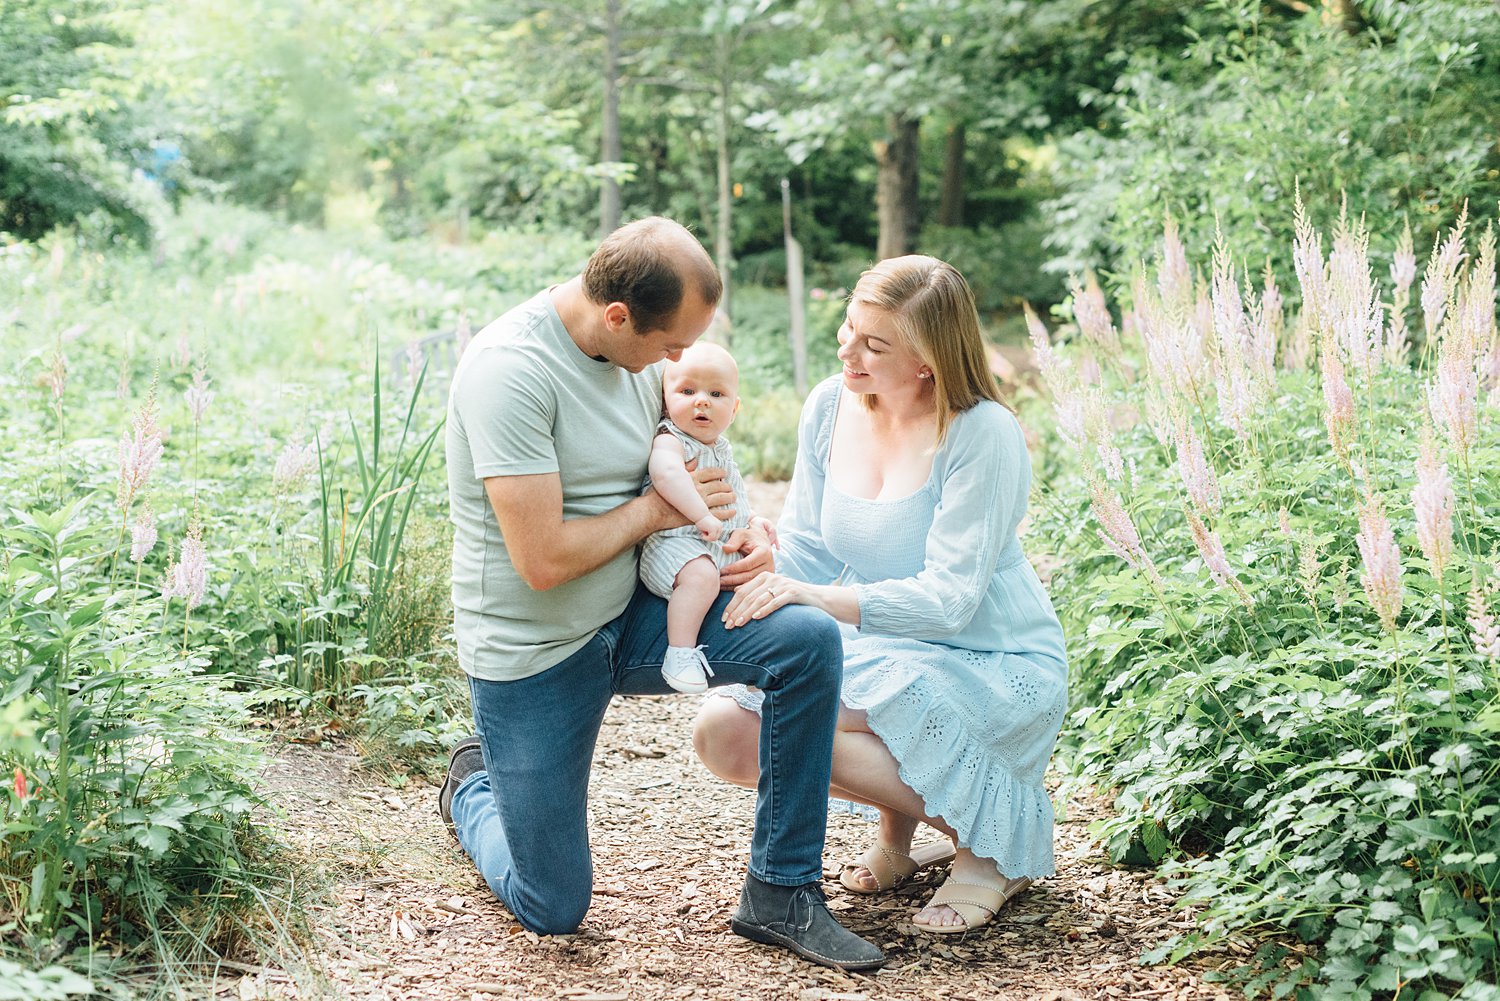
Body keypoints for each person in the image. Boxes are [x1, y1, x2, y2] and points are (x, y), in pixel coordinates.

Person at [437, 217, 884, 971]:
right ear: (618, 316)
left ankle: (781, 891)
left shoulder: (643, 358)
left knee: (804, 639)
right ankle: (474, 788)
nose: (676, 362)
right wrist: (657, 512)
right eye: (670, 344)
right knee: (553, 905)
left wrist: (745, 537)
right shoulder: (508, 373)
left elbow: (695, 465)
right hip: (537, 649)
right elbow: (542, 560)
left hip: (637, 612)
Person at [693, 255, 1069, 935]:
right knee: (723, 732)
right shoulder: (830, 406)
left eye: (874, 344)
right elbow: (810, 549)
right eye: (848, 329)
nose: (849, 351)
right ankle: (907, 836)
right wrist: (756, 557)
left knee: (816, 708)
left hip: (992, 656)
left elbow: (950, 601)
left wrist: (809, 597)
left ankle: (992, 849)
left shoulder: (982, 433)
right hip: (884, 642)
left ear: (928, 361)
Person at [640, 342, 777, 693]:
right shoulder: (671, 440)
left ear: (734, 408)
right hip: (673, 548)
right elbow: (667, 475)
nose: (701, 401)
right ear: (665, 400)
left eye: (716, 394)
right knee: (701, 577)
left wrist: (752, 522)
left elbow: (733, 490)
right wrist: (701, 515)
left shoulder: (720, 446)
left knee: (759, 578)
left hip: (709, 544)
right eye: (687, 391)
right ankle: (680, 653)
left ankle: (756, 676)